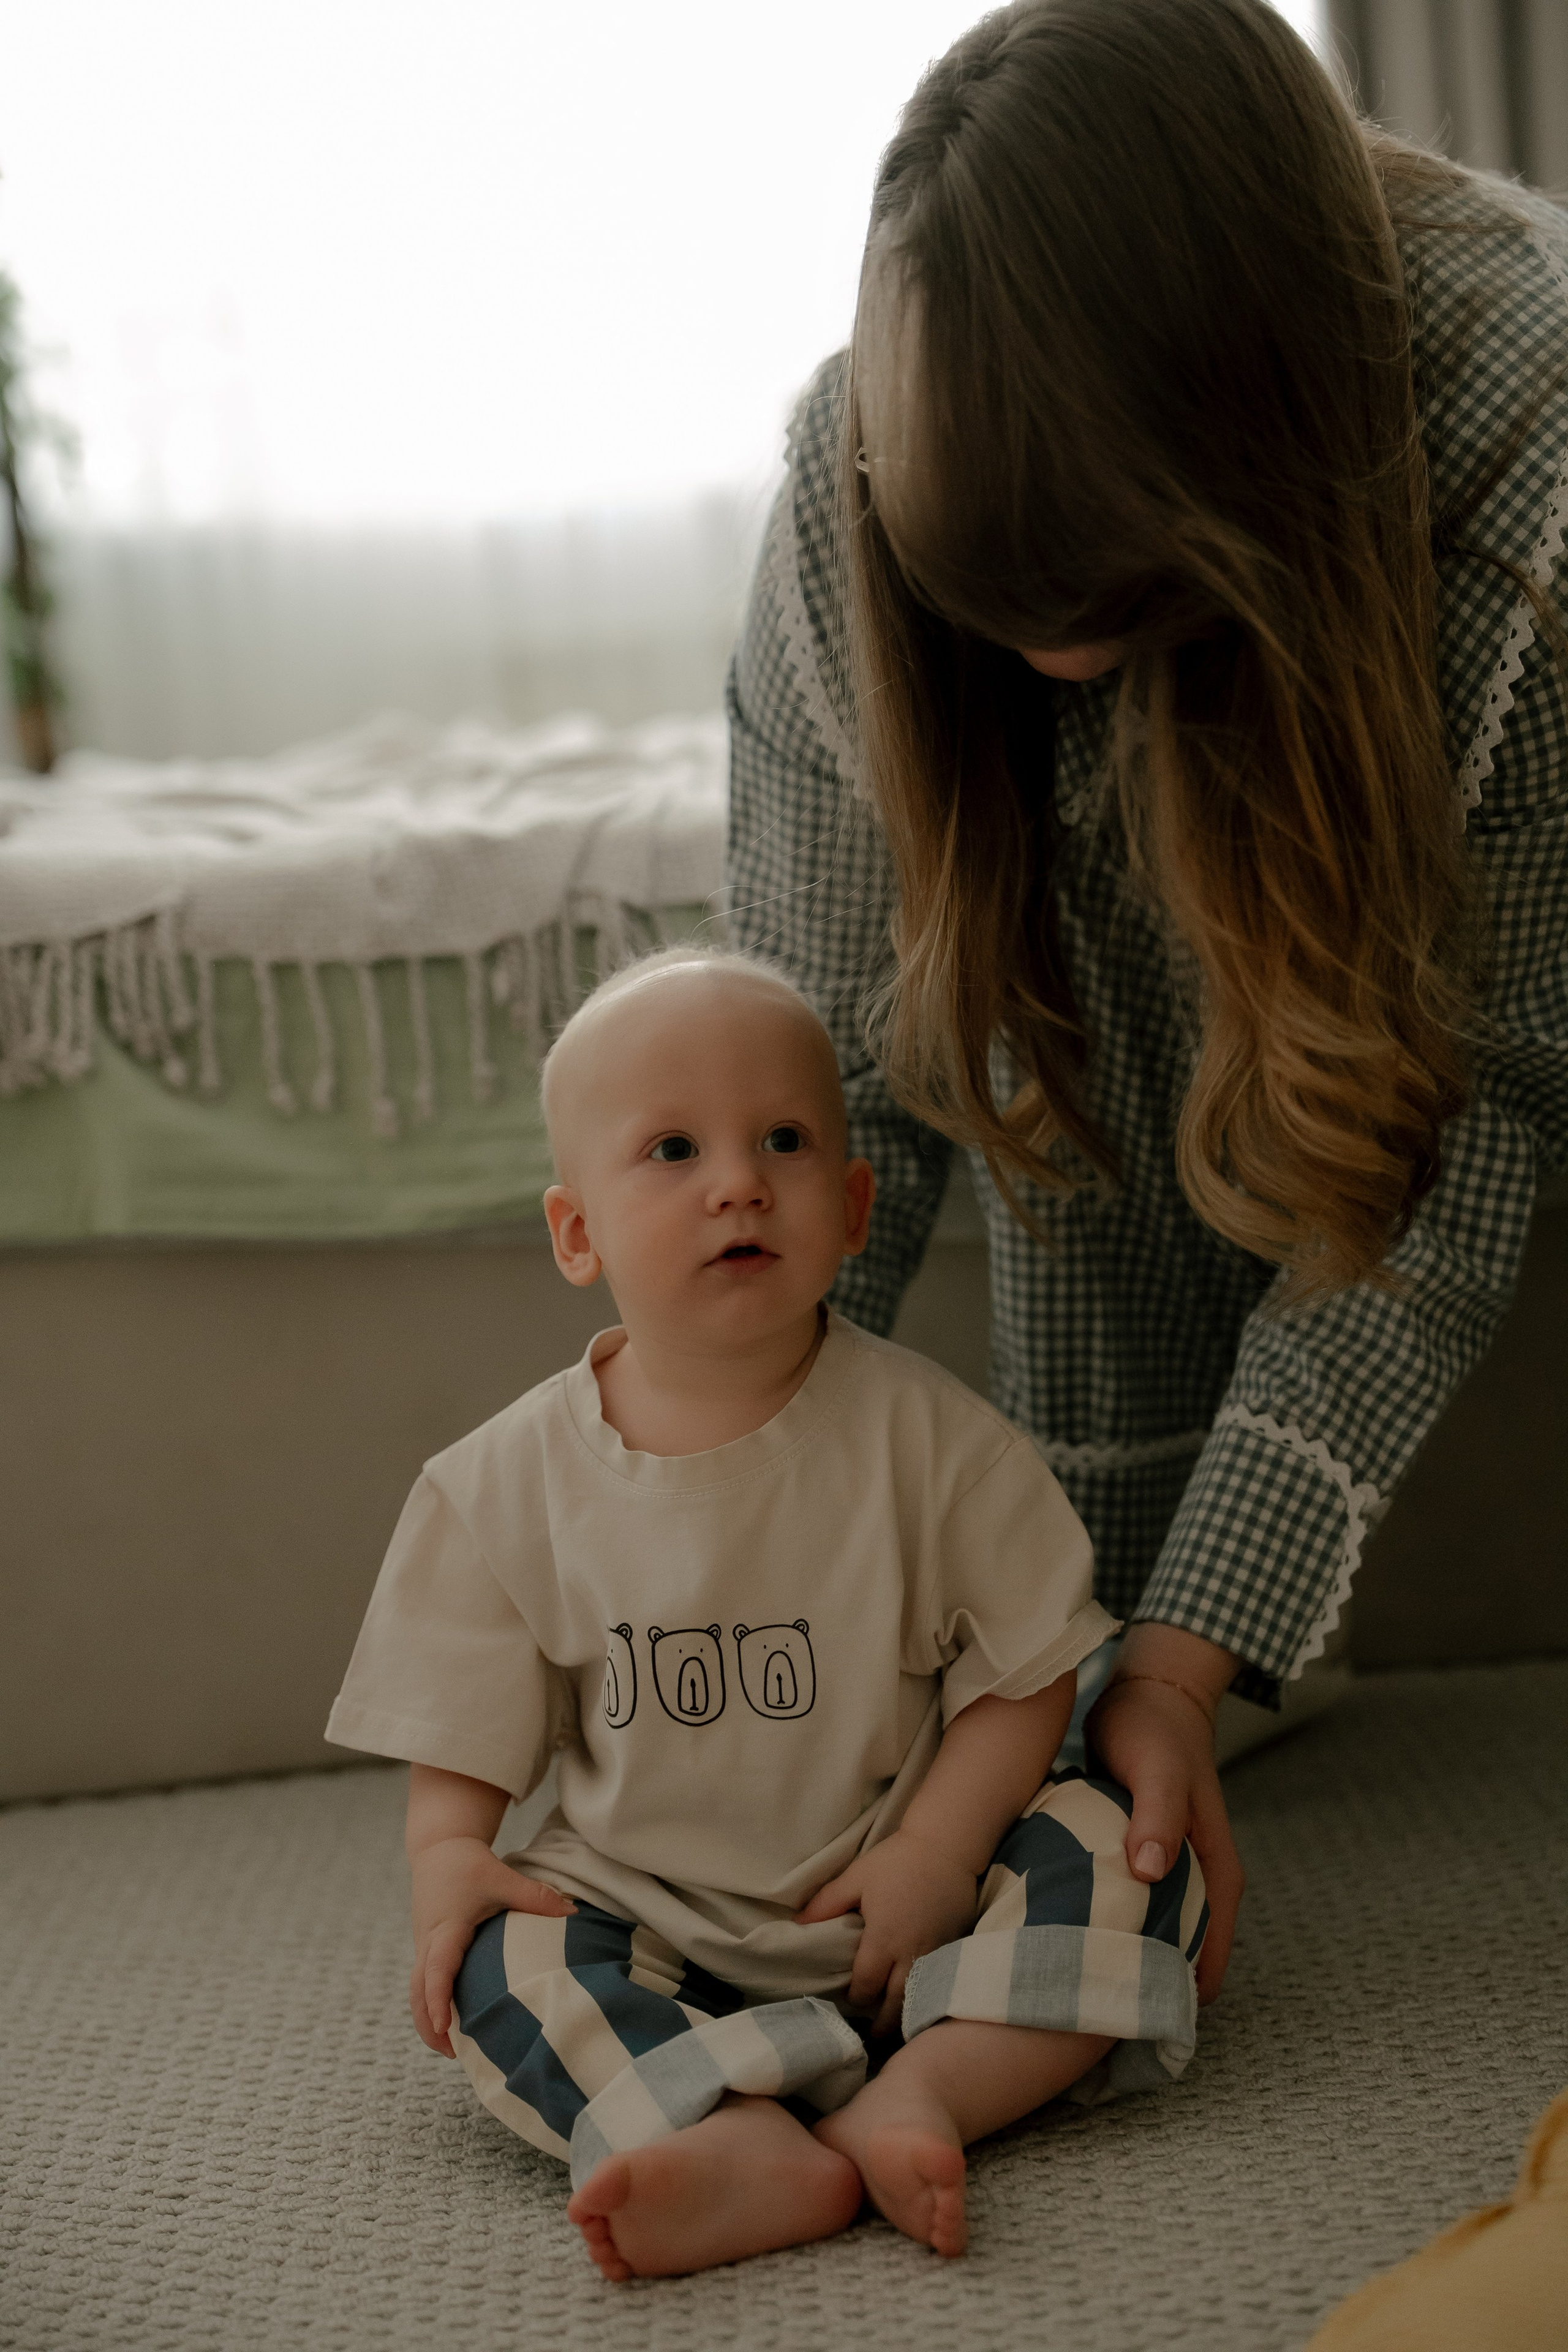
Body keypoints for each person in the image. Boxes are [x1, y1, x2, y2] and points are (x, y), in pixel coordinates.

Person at [726, 0, 1568, 2008]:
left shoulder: (1517, 487)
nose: (1066, 681)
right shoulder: (844, 495)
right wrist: (718, 1572)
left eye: (1112, 614)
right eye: (998, 618)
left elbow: (1456, 1116)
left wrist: (1182, 1654)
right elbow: (805, 1091)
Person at [326, 948, 1208, 2277]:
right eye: (672, 1149)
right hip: (646, 1908)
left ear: (851, 1205)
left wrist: (937, 1848)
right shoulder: (500, 1486)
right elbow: (457, 1716)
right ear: (579, 1234)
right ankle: (736, 2130)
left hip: (909, 1889)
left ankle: (930, 2091)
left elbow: (1029, 1670)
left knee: (1131, 1852)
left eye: (782, 1141)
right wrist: (446, 1856)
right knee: (502, 1974)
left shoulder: (929, 1441)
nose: (737, 1180)